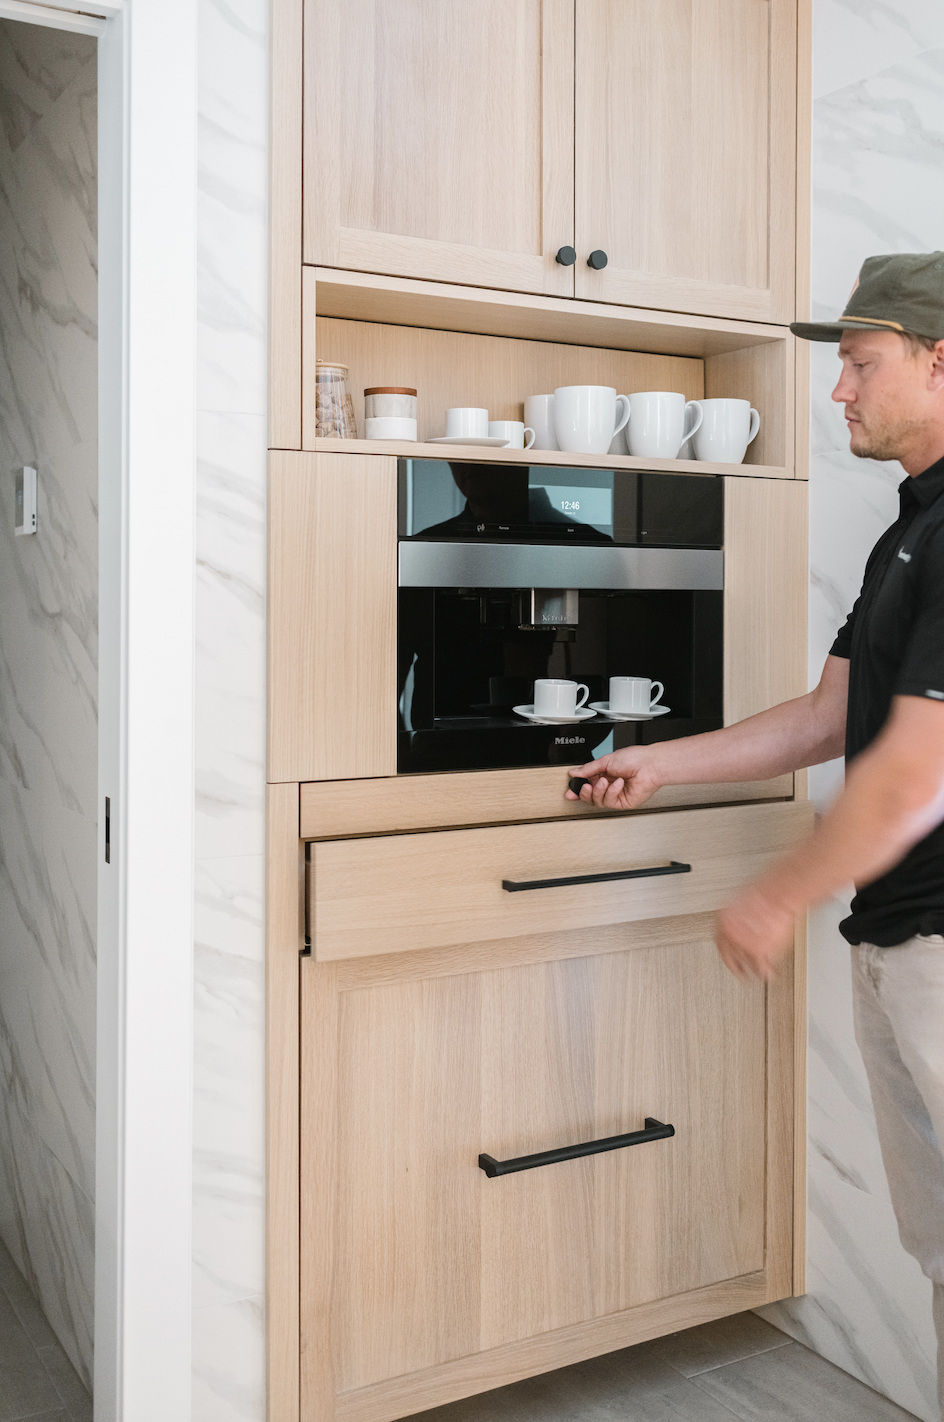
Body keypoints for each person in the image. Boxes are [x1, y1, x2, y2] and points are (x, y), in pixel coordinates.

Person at [565, 251, 944, 1414]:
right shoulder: (909, 531)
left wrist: (778, 892)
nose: (837, 391)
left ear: (939, 362)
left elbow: (918, 767)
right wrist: (659, 762)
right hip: (897, 939)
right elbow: (831, 715)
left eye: (859, 364)